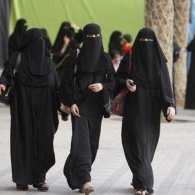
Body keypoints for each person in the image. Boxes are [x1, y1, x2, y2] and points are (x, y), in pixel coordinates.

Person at [0, 28, 59, 191]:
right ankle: (22, 178)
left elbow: (56, 87)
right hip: (22, 109)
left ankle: (40, 179)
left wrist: (63, 108)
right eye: (35, 41)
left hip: (44, 111)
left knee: (44, 142)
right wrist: (2, 84)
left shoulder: (48, 63)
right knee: (22, 141)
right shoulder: (18, 58)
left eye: (41, 40)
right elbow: (6, 75)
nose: (39, 44)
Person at [115, 28, 175, 195]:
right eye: (142, 41)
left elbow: (165, 85)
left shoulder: (158, 60)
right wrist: (126, 82)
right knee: (134, 143)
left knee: (147, 147)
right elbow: (117, 78)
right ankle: (145, 184)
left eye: (149, 42)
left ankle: (139, 180)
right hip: (133, 108)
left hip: (151, 109)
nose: (145, 45)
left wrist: (169, 105)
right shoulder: (130, 57)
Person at [59, 23, 115, 194]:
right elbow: (66, 82)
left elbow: (114, 82)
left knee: (92, 145)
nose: (93, 41)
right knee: (81, 143)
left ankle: (72, 169)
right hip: (79, 107)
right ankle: (85, 180)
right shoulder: (75, 56)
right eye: (89, 37)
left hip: (97, 108)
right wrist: (71, 103)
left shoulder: (105, 58)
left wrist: (103, 86)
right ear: (84, 38)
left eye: (95, 37)